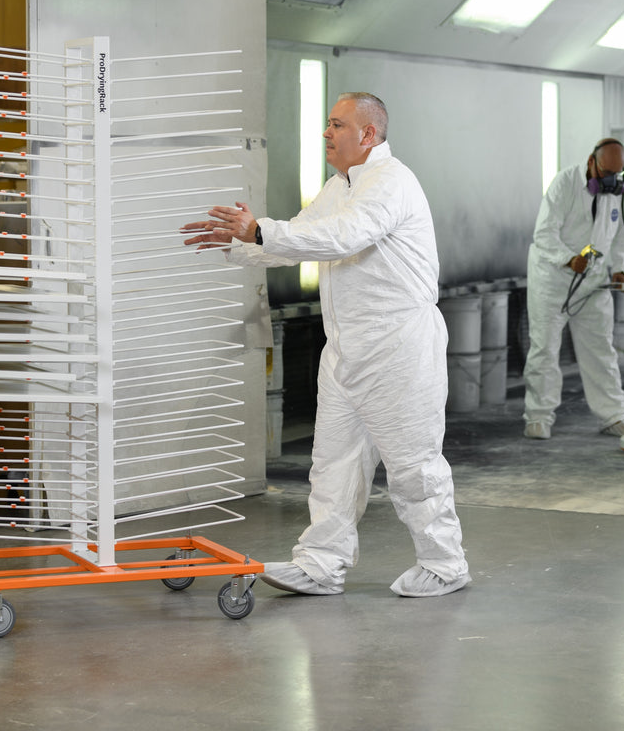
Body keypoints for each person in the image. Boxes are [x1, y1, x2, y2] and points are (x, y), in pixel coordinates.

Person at [181, 92, 470, 598]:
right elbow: (300, 237)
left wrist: (261, 230)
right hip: (345, 350)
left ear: (368, 134)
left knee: (413, 464)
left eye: (336, 124)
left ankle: (445, 564)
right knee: (332, 463)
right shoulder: (339, 188)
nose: (326, 133)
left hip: (398, 346)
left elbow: (345, 237)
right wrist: (240, 242)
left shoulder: (391, 181)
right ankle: (321, 562)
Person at [523, 137, 624, 441]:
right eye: (607, 171)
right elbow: (544, 233)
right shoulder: (564, 184)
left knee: (601, 347)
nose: (613, 179)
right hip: (553, 278)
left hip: (594, 279)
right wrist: (567, 259)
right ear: (591, 162)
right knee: (545, 348)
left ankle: (613, 415)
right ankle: (538, 416)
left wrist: (622, 268)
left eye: (619, 172)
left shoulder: (619, 192)